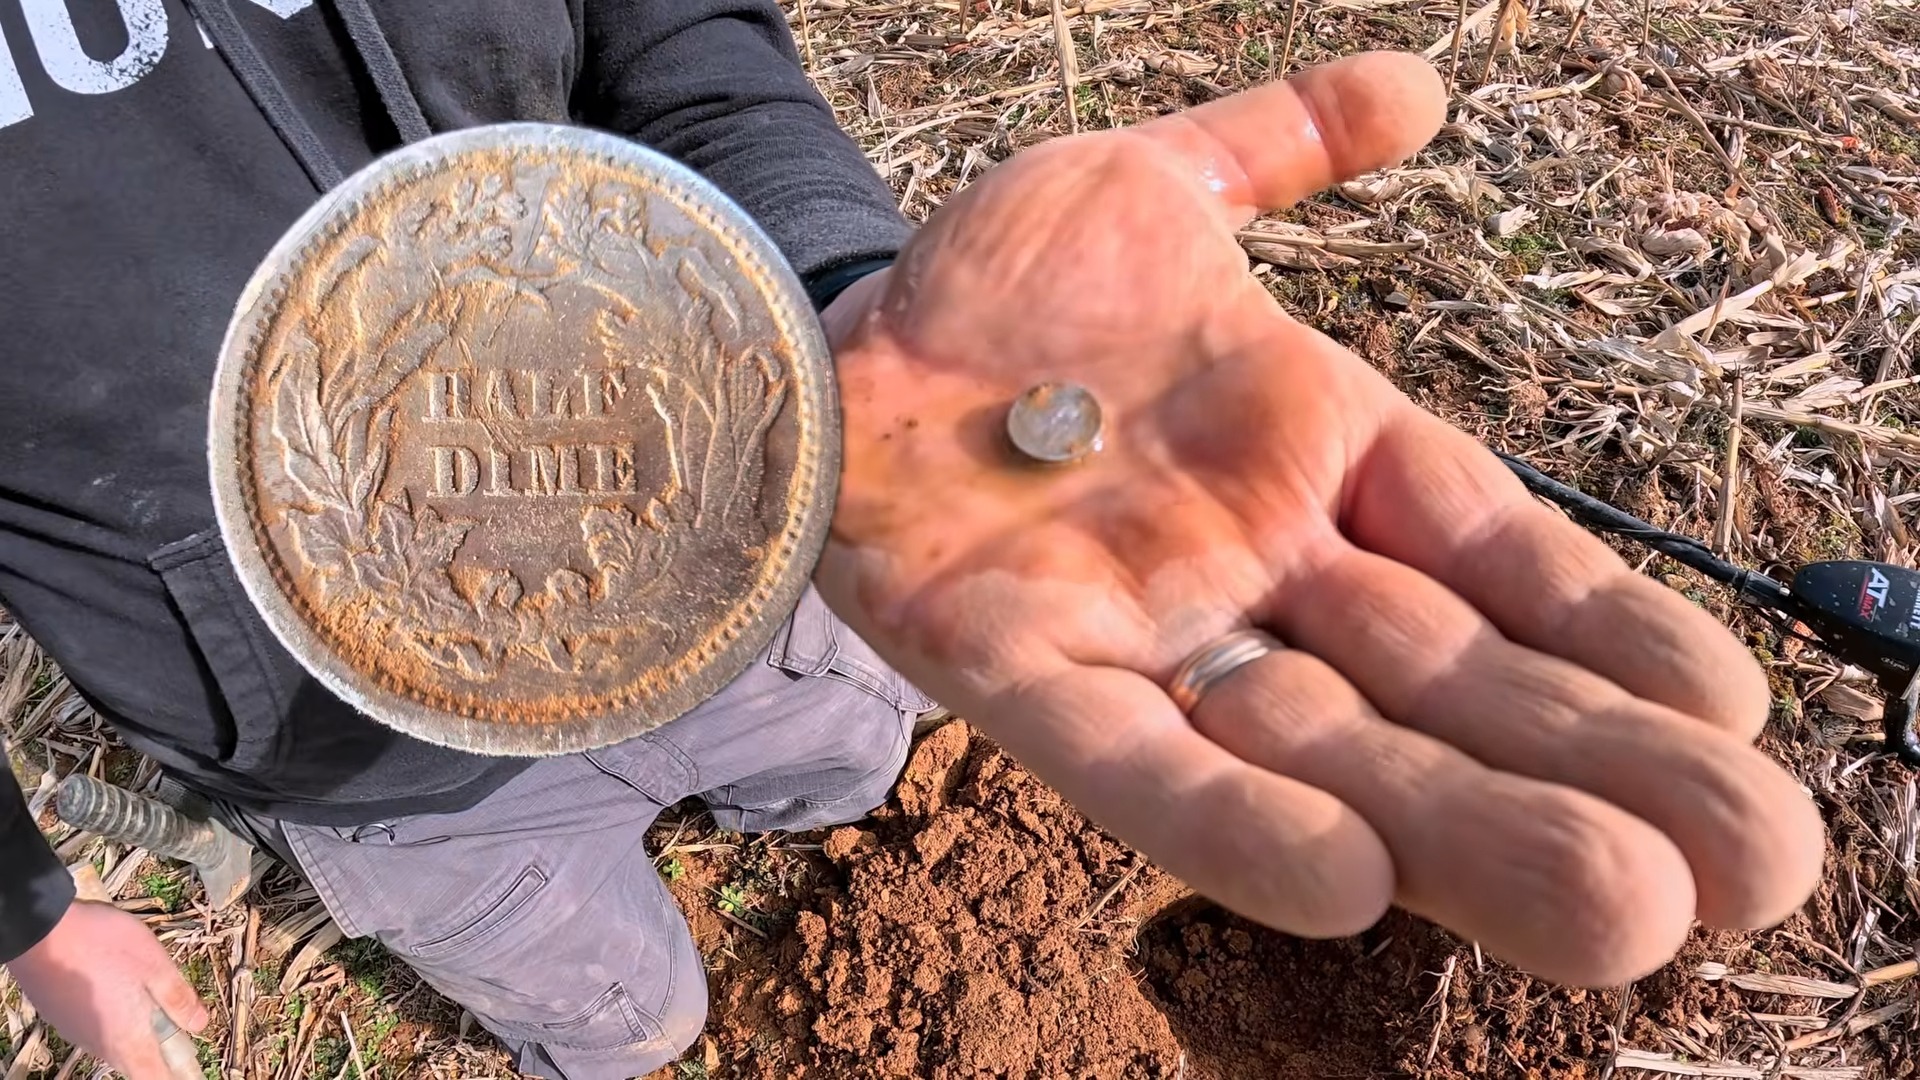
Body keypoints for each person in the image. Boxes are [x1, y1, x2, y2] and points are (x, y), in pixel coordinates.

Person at [0, 1, 1827, 1078]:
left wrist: (850, 298)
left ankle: (787, 788)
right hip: (364, 759)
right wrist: (34, 920)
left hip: (756, 532)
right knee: (630, 1021)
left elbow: (680, 36)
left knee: (854, 750)